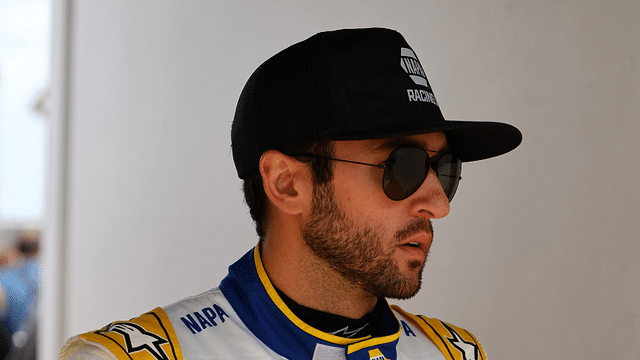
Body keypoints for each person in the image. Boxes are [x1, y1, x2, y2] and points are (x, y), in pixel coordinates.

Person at [59, 27, 521, 360]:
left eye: (444, 170)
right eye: (402, 166)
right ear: (286, 183)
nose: (437, 204)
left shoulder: (456, 353)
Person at [1, 230, 40, 360]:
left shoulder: (5, 277)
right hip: (41, 347)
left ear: (17, 248)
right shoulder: (50, 274)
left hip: (15, 350)